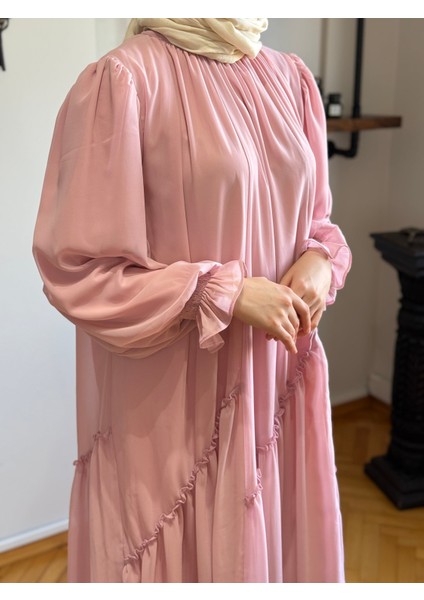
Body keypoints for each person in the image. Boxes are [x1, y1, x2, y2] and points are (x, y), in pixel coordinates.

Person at [33, 18, 352, 583]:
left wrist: (321, 258)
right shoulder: (124, 80)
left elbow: (316, 219)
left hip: (278, 379)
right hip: (178, 404)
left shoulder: (291, 78)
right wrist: (221, 291)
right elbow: (79, 272)